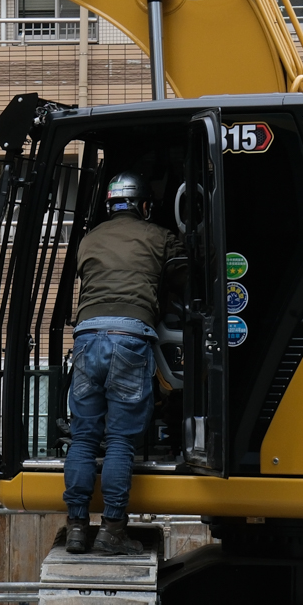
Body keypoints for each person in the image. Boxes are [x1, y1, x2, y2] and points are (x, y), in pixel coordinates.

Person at [61, 171, 180, 557]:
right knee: (120, 442)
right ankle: (112, 531)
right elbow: (186, 267)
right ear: (144, 206)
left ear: (110, 205)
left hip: (86, 338)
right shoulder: (158, 236)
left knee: (83, 438)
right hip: (129, 338)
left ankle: (77, 527)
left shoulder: (89, 238)